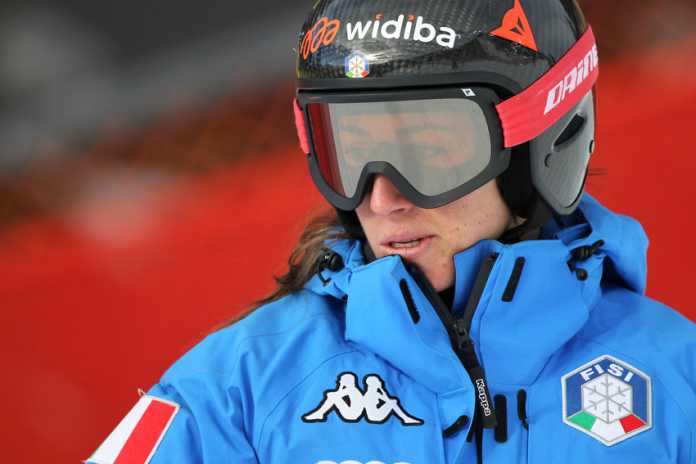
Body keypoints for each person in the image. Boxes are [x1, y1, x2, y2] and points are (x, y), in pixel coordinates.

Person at [88, 0, 696, 463]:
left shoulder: (675, 375)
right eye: (353, 154)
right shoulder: (237, 388)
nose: (382, 199)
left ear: (541, 146)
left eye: (428, 152)